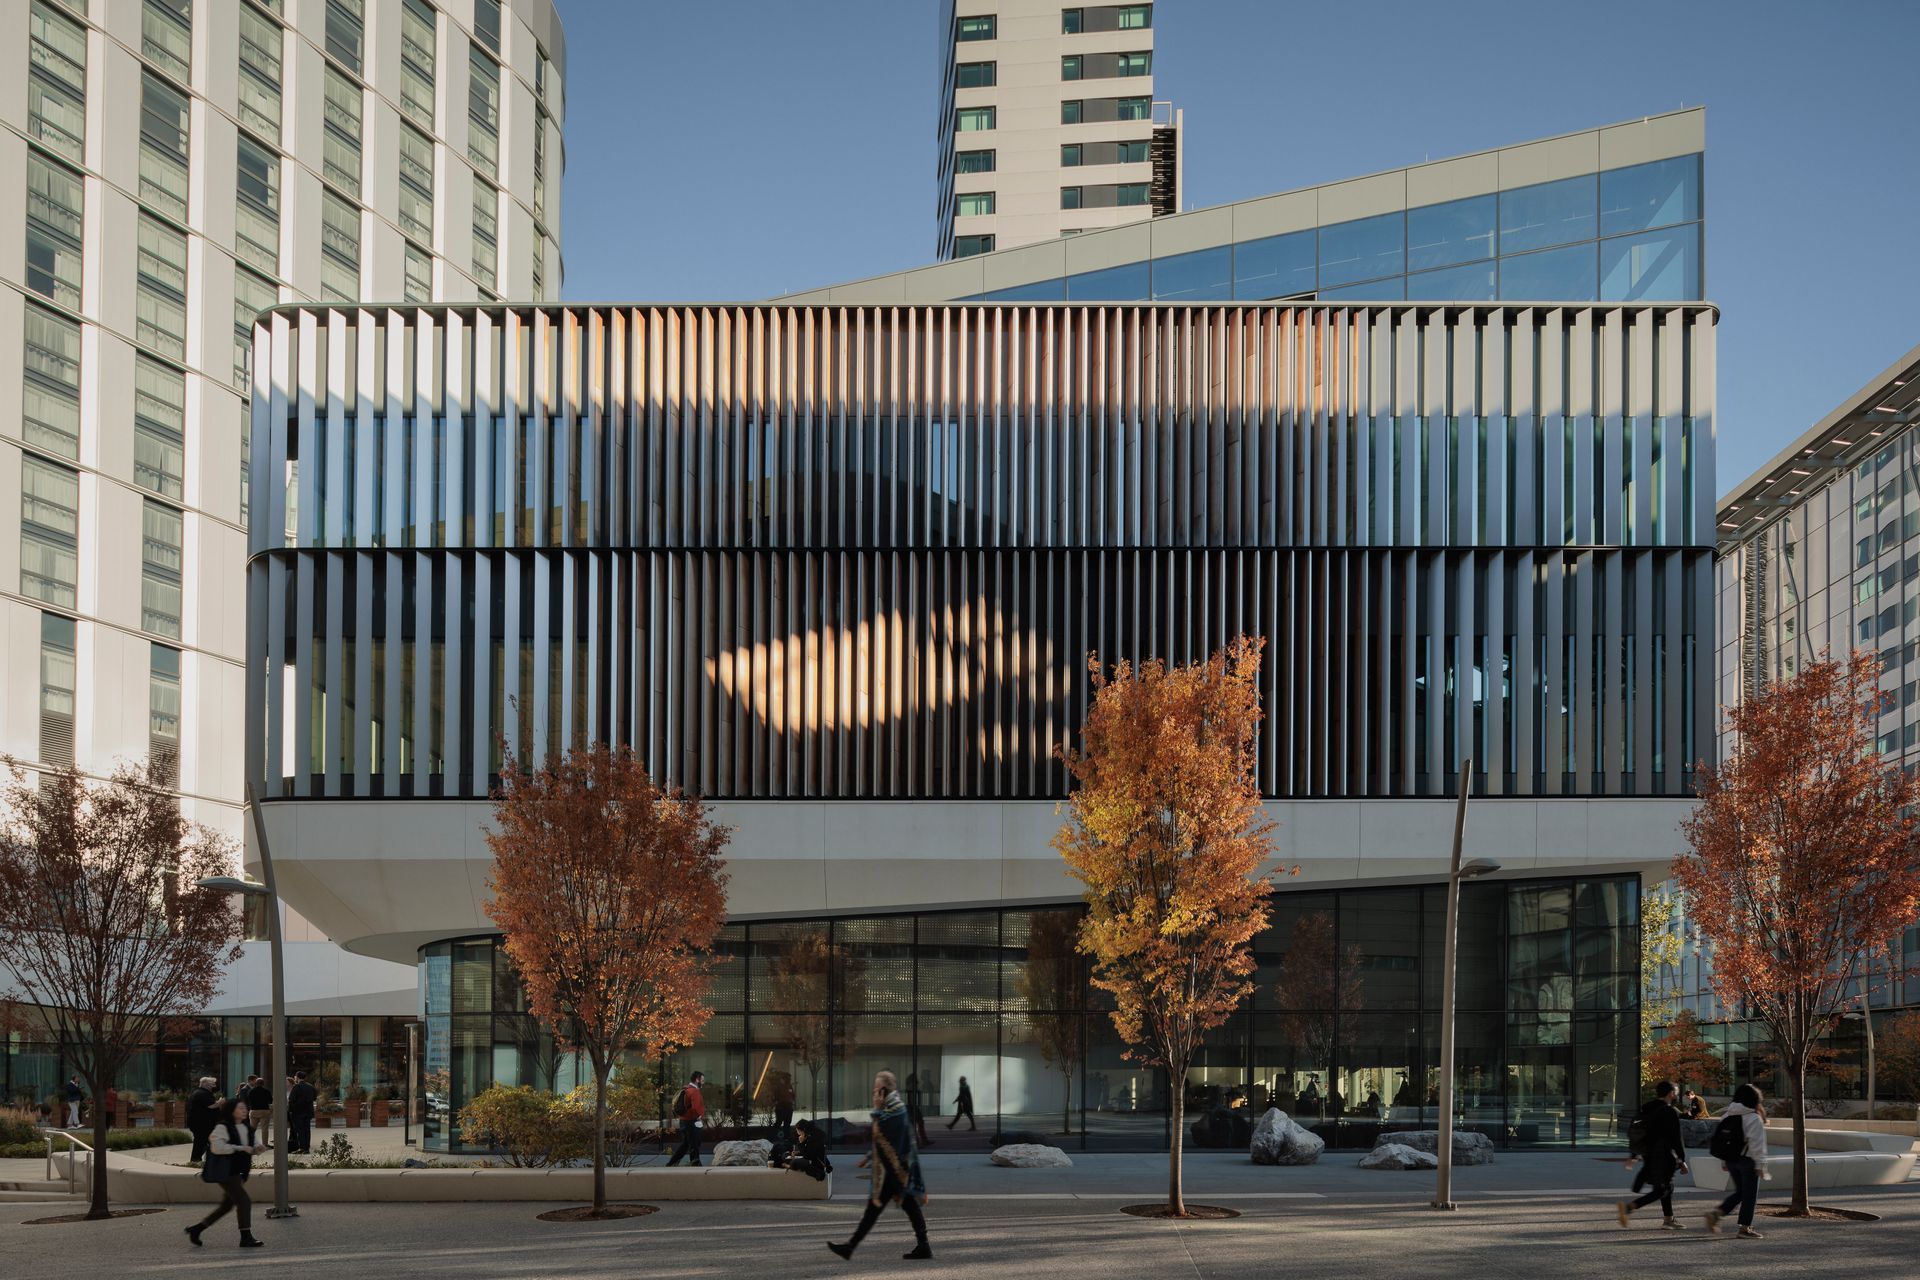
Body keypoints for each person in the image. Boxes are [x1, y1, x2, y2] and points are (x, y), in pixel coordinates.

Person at [828, 1071, 931, 1261]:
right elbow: (885, 1140)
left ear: (883, 1091)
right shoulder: (893, 1109)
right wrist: (869, 1156)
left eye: (876, 1090)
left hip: (895, 1172)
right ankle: (923, 1246)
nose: (873, 1093)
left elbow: (882, 1132)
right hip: (894, 1170)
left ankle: (850, 1248)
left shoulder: (895, 1112)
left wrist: (876, 1109)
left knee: (877, 1209)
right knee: (899, 1207)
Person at [185, 1096, 268, 1249]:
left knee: (226, 1205)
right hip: (227, 1171)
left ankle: (196, 1229)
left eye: (245, 1108)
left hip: (240, 1171)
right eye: (240, 1108)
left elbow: (253, 1144)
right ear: (231, 1110)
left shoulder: (247, 1127)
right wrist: (241, 1148)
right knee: (244, 1201)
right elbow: (217, 1147)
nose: (244, 1111)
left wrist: (258, 1149)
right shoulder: (222, 1127)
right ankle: (246, 1237)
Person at [1616, 1080, 1689, 1230]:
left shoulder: (1646, 1108)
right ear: (1671, 1093)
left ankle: (1668, 1219)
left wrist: (1633, 1155)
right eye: (1675, 1091)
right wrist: (1682, 1160)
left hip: (1649, 1155)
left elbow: (1639, 1132)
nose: (1675, 1094)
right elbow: (1675, 1138)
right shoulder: (1669, 1111)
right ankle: (1629, 1208)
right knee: (1662, 1189)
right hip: (1664, 1156)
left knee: (1667, 1186)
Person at [1704, 1082, 1770, 1239]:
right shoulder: (1753, 1117)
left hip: (1732, 1160)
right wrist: (1761, 1165)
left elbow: (1721, 1140)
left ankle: (1717, 1213)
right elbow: (1756, 1144)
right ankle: (1745, 1228)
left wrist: (1724, 1160)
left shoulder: (1727, 1115)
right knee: (1749, 1195)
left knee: (1740, 1192)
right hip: (1748, 1160)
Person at [666, 1070, 707, 1167]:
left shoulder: (686, 1089)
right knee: (695, 1144)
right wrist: (699, 1116)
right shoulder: (694, 1091)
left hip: (683, 1121)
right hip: (692, 1121)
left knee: (686, 1144)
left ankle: (672, 1163)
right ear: (697, 1080)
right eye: (702, 1080)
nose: (703, 1082)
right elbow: (696, 1107)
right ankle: (695, 1163)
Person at [187, 1076, 220, 1162]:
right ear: (205, 1085)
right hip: (202, 1124)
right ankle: (196, 1160)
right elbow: (211, 1105)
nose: (214, 1086)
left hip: (200, 1123)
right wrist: (220, 1102)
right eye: (212, 1084)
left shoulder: (198, 1092)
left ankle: (197, 1160)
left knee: (202, 1142)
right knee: (201, 1142)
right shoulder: (203, 1094)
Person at [286, 1070, 317, 1155]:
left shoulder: (296, 1087)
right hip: (308, 1111)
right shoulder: (310, 1086)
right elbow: (314, 1097)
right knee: (307, 1130)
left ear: (297, 1077)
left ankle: (302, 1148)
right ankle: (307, 1147)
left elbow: (291, 1099)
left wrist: (291, 1110)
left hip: (298, 1112)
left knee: (300, 1131)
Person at [905, 1072, 933, 1147]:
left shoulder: (910, 1086)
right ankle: (920, 1141)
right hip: (913, 1107)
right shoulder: (912, 1086)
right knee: (918, 1123)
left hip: (911, 1107)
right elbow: (912, 1098)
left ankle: (919, 1141)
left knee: (916, 1124)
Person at [245, 1075, 273, 1145]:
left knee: (252, 1128)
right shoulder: (267, 1091)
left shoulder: (251, 1091)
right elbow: (270, 1101)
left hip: (254, 1111)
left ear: (256, 1083)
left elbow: (249, 1100)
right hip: (264, 1111)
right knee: (264, 1129)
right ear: (263, 1084)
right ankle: (265, 1144)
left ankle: (250, 1143)